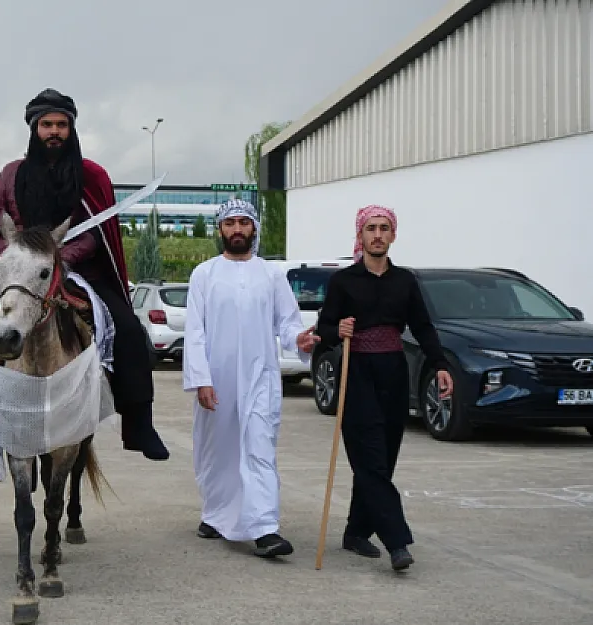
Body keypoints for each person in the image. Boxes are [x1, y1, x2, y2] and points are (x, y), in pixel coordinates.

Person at [0, 87, 169, 474]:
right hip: (21, 272)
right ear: (34, 129)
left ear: (72, 129)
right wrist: (13, 256)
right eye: (46, 124)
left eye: (61, 125)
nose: (54, 132)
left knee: (130, 330)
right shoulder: (11, 174)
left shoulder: (92, 175)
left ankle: (140, 424)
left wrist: (59, 258)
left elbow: (99, 234)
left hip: (78, 268)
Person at [315, 204, 453, 571]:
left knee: (383, 459)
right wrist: (337, 330)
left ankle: (356, 532)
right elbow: (323, 330)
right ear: (360, 236)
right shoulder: (344, 281)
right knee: (370, 459)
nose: (377, 235)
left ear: (393, 235)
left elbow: (423, 327)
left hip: (394, 371)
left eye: (384, 228)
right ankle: (397, 542)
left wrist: (440, 365)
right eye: (370, 229)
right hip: (356, 372)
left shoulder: (405, 280)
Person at [182, 199, 319, 558]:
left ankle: (264, 528)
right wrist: (201, 379)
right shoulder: (204, 274)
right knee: (218, 451)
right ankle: (215, 513)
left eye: (244, 223)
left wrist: (299, 339)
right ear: (221, 230)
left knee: (259, 447)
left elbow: (287, 323)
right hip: (217, 379)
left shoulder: (271, 274)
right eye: (231, 223)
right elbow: (195, 333)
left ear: (254, 228)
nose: (238, 229)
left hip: (261, 377)